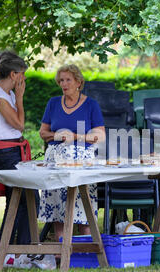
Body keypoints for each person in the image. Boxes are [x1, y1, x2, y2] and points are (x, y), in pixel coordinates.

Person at [0, 50, 39, 268]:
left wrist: (16, 97)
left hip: (13, 151)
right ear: (14, 75)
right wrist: (20, 98)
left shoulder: (4, 95)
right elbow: (18, 124)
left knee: (25, 199)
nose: (24, 78)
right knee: (21, 199)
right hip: (6, 153)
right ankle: (12, 252)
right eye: (22, 74)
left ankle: (13, 252)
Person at [38, 64, 106, 243]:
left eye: (68, 79)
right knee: (57, 206)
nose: (64, 84)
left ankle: (87, 251)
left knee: (83, 205)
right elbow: (43, 133)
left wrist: (74, 136)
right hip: (55, 159)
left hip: (81, 161)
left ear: (78, 82)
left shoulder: (91, 104)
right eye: (61, 80)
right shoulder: (53, 103)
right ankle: (61, 250)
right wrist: (56, 135)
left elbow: (100, 135)